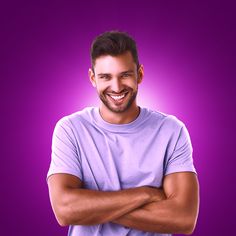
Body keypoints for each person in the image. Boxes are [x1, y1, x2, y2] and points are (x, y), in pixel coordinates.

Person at [47, 30, 199, 236]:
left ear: (140, 74)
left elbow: (183, 218)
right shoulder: (70, 129)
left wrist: (91, 206)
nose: (116, 87)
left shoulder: (172, 130)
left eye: (125, 75)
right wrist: (146, 194)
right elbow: (65, 210)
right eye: (105, 77)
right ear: (92, 78)